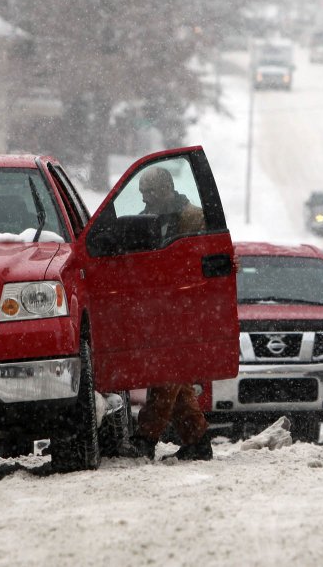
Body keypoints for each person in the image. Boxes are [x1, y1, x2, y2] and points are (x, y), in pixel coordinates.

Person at [128, 165, 212, 461]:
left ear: (167, 188)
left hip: (186, 310)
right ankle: (198, 440)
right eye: (141, 194)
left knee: (167, 372)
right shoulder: (143, 222)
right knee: (176, 377)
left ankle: (145, 438)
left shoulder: (196, 219)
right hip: (157, 311)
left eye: (149, 193)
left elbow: (212, 259)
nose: (145, 200)